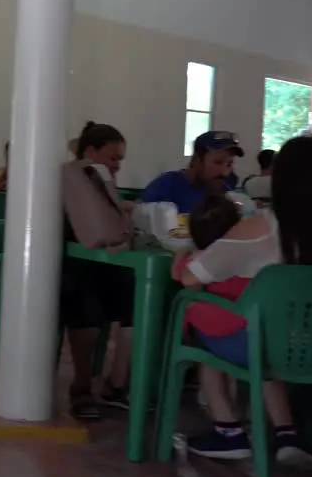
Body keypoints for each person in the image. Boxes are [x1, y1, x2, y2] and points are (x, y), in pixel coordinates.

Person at [173, 137, 312, 464]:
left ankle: (227, 431)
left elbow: (191, 278)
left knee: (208, 333)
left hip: (268, 346)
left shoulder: (262, 227)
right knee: (268, 338)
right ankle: (287, 434)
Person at [59, 122, 137, 420]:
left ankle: (115, 383)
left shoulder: (102, 183)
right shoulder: (68, 178)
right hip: (70, 266)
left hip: (102, 264)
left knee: (136, 294)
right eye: (113, 158)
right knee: (85, 302)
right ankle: (81, 385)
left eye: (120, 160)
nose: (117, 166)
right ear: (90, 152)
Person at [141, 131, 244, 213]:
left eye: (229, 164)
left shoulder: (225, 193)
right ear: (196, 160)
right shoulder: (164, 187)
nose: (224, 172)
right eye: (217, 162)